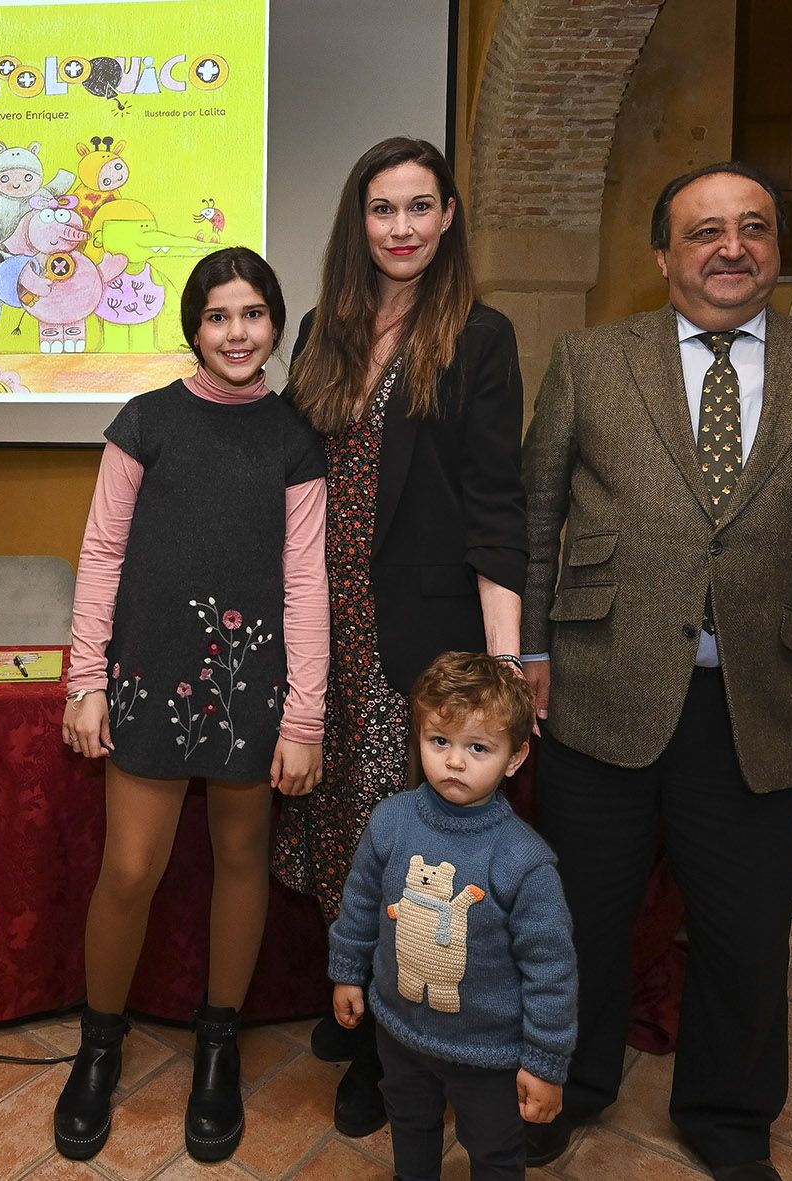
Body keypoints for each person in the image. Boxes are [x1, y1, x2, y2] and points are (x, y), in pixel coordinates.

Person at [519, 162, 792, 1181]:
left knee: (738, 929)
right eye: (704, 231)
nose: (731, 247)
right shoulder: (589, 360)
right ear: (662, 255)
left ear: (775, 247)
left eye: (753, 227)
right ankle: (562, 1083)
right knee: (579, 917)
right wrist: (531, 655)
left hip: (756, 700)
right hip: (600, 687)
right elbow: (533, 510)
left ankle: (729, 1114)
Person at [270, 136, 528, 1135]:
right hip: (317, 632)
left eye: (421, 207)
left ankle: (390, 1051)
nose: (403, 227)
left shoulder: (480, 335)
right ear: (358, 220)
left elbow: (495, 505)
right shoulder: (320, 328)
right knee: (335, 834)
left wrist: (501, 671)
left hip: (415, 644)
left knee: (409, 857)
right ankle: (357, 1001)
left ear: (449, 216)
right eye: (384, 209)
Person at [53, 247, 327, 1164]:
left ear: (276, 325)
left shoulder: (295, 437)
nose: (237, 332)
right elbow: (100, 556)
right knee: (129, 870)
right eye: (219, 316)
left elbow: (306, 585)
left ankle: (219, 1046)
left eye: (253, 314)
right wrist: (85, 679)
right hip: (149, 678)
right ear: (193, 327)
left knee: (241, 861)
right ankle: (99, 1048)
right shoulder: (145, 422)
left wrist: (304, 716)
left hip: (255, 686)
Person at [329, 652, 576, 1181]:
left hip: (488, 1054)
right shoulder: (391, 822)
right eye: (440, 741)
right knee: (409, 1122)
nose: (454, 762)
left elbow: (551, 973)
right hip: (399, 1032)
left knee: (493, 1150)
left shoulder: (522, 860)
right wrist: (347, 972)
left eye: (478, 747)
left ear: (515, 757)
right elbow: (360, 905)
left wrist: (545, 1063)